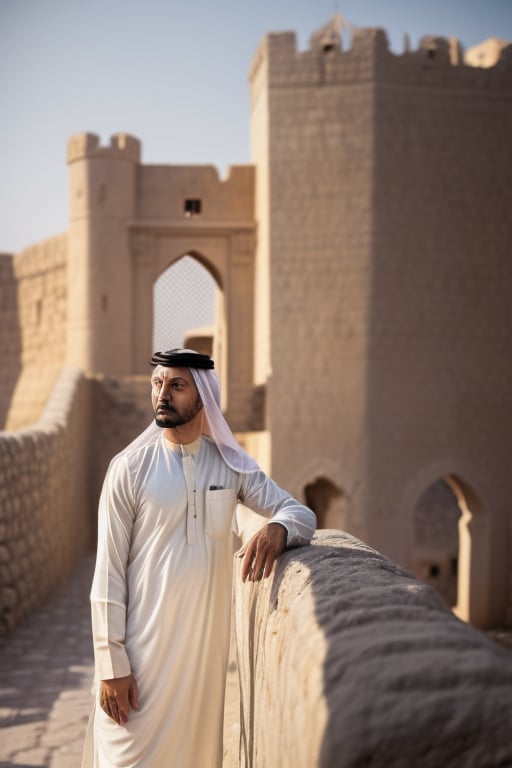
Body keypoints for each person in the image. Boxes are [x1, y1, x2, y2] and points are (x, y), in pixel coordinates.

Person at [82, 348, 316, 768]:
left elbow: (299, 512)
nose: (162, 394)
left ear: (203, 395)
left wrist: (278, 531)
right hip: (140, 657)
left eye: (176, 385)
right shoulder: (128, 470)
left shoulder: (230, 466)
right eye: (158, 383)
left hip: (200, 663)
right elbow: (107, 575)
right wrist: (111, 663)